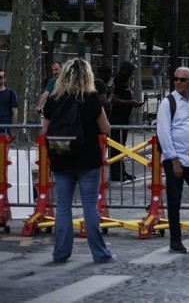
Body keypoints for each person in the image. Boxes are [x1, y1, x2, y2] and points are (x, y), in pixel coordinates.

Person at [41, 58, 116, 264]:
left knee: (63, 207)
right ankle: (100, 254)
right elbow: (105, 128)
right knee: (90, 207)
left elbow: (44, 130)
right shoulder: (90, 97)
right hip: (87, 158)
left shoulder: (54, 98)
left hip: (61, 158)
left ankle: (60, 253)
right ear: (87, 75)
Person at [157, 66, 189, 254]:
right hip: (175, 159)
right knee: (174, 200)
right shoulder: (168, 103)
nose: (177, 82)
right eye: (176, 79)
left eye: (182, 79)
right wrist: (174, 161)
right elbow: (163, 133)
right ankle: (175, 240)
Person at [109, 62, 143, 181]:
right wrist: (130, 103)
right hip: (117, 118)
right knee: (116, 145)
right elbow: (113, 99)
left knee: (121, 146)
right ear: (124, 70)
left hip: (123, 118)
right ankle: (115, 172)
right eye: (129, 72)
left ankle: (121, 170)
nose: (130, 75)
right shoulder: (118, 80)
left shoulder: (124, 81)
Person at [0, 70, 18, 136]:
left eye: (0, 77)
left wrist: (14, 129)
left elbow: (15, 112)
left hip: (5, 130)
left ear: (4, 79)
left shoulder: (11, 93)